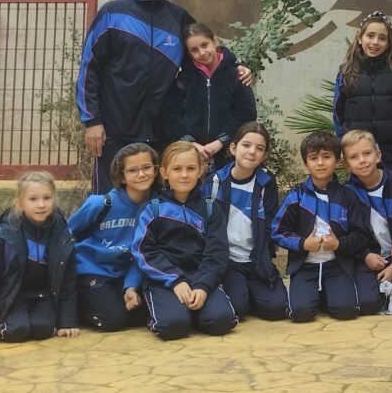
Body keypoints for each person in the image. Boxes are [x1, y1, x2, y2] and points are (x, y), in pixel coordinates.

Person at [78, 0, 251, 193]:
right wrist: (92, 121)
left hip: (163, 135)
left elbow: (205, 52)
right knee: (110, 202)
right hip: (115, 132)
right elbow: (89, 69)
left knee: (159, 205)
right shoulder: (111, 14)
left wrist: (237, 67)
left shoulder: (178, 18)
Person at [131, 142, 237, 340]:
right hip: (165, 280)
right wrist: (176, 280)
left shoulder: (211, 208)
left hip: (200, 276)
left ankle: (193, 310)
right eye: (177, 169)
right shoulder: (152, 209)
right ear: (164, 172)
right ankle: (174, 313)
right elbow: (144, 252)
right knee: (173, 327)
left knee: (221, 321)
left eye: (191, 168)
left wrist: (203, 286)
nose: (184, 175)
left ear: (201, 171)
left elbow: (217, 252)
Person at [272, 131, 378, 323]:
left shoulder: (347, 196)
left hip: (337, 265)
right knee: (301, 313)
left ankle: (327, 294)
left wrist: (339, 244)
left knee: (346, 311)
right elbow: (277, 232)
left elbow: (361, 235)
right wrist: (303, 244)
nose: (320, 163)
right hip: (305, 267)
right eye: (313, 158)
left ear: (337, 161)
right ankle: (312, 294)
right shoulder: (296, 196)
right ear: (306, 163)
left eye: (326, 157)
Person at [0, 171, 78, 345]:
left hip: (44, 295)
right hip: (12, 296)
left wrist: (66, 322)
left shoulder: (62, 235)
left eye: (47, 198)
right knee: (16, 331)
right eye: (33, 199)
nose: (41, 204)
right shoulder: (3, 237)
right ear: (20, 203)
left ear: (54, 199)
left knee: (44, 329)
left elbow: (68, 282)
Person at [68, 143, 157, 331]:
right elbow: (66, 234)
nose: (141, 174)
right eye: (132, 170)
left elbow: (144, 253)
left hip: (127, 272)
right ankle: (77, 305)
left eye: (146, 167)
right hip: (95, 271)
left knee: (150, 311)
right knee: (113, 321)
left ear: (157, 170)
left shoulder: (157, 208)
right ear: (121, 176)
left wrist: (130, 286)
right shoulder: (101, 203)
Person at [210, 122, 288, 321]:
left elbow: (271, 222)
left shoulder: (266, 182)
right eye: (246, 145)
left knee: (278, 308)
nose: (252, 152)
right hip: (227, 261)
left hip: (255, 261)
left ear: (264, 155)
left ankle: (249, 293)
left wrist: (264, 253)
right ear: (233, 148)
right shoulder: (216, 181)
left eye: (259, 148)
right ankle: (241, 294)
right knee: (237, 307)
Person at [160, 22, 257, 168]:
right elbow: (169, 114)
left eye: (205, 45)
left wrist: (219, 143)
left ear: (215, 41)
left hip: (227, 153)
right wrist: (191, 144)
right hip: (190, 155)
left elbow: (246, 113)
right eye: (194, 50)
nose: (202, 53)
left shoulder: (236, 75)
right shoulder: (184, 78)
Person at [333, 11, 392, 172]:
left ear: (389, 43)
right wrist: (344, 140)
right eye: (370, 36)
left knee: (390, 194)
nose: (375, 42)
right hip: (357, 151)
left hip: (390, 151)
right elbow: (338, 112)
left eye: (382, 38)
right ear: (360, 38)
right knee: (359, 195)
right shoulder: (347, 73)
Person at [342, 129, 392, 312]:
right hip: (369, 257)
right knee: (366, 303)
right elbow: (348, 234)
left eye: (367, 153)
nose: (362, 160)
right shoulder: (347, 192)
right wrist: (364, 255)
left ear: (378, 155)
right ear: (347, 165)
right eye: (354, 157)